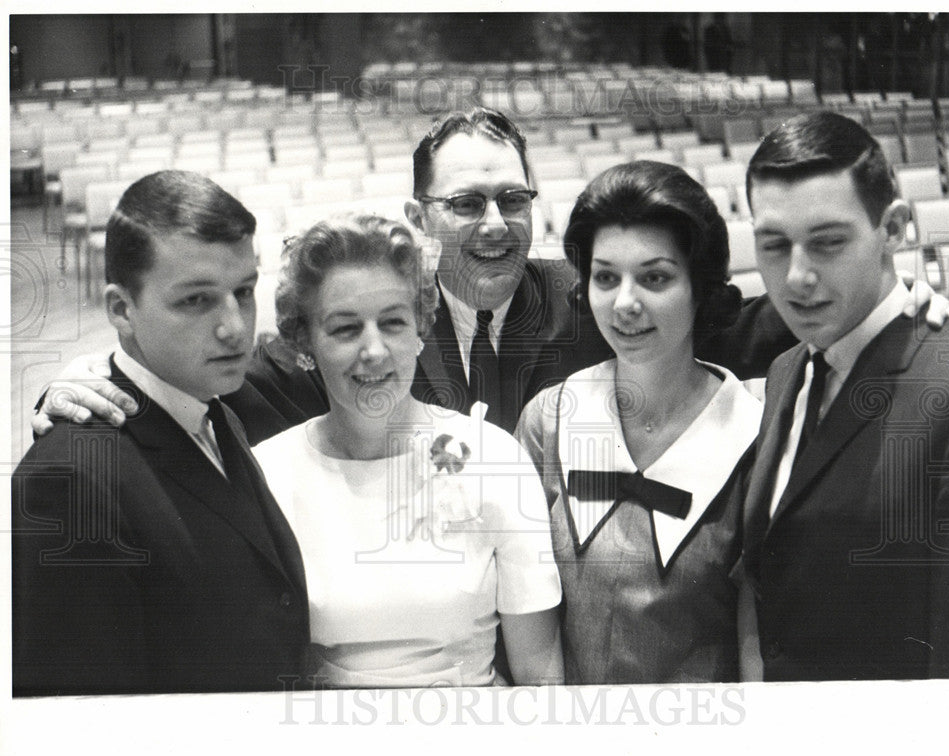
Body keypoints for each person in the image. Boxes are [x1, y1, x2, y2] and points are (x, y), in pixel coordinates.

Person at [32, 107, 797, 441]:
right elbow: (221, 376)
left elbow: (760, 327)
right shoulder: (373, 321)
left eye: (513, 199)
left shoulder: (596, 297)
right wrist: (96, 378)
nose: (495, 225)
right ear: (419, 214)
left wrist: (901, 308)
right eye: (466, 203)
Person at [12, 171, 311, 695]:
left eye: (242, 291)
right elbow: (77, 720)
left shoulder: (214, 401)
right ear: (121, 309)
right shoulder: (71, 477)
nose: (235, 327)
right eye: (196, 300)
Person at [251, 213, 564, 688]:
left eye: (393, 323)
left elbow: (540, 675)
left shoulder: (493, 457)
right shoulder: (267, 473)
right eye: (345, 329)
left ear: (420, 327)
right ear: (304, 341)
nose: (374, 350)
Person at [741, 111, 949, 681]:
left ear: (893, 229)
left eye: (827, 243)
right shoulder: (786, 369)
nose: (796, 276)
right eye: (774, 245)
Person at [516, 161, 762, 683]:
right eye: (606, 277)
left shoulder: (754, 436)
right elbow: (523, 616)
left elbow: (756, 641)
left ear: (700, 286)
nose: (625, 303)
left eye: (655, 277)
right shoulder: (549, 420)